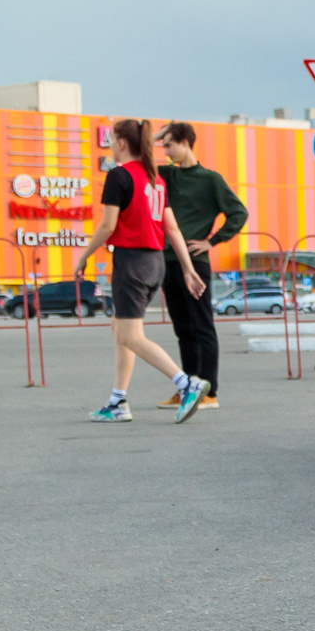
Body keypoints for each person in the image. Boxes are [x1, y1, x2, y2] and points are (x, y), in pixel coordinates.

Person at [73, 118, 211, 423]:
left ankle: (186, 383)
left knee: (131, 336)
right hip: (155, 264)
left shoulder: (119, 177)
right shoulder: (155, 180)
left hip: (132, 263)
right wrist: (188, 269)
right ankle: (117, 401)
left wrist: (83, 257)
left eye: (112, 140)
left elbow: (108, 225)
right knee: (120, 330)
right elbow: (172, 229)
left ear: (122, 143)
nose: (110, 145)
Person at [153, 122, 245, 409]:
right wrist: (155, 137)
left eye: (169, 145)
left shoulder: (210, 180)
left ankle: (210, 392)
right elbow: (139, 159)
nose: (165, 152)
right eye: (163, 146)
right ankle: (188, 389)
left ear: (185, 142)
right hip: (167, 261)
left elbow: (239, 213)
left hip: (196, 262)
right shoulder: (165, 174)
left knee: (202, 326)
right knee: (182, 329)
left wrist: (212, 241)